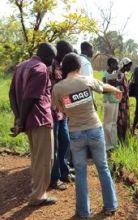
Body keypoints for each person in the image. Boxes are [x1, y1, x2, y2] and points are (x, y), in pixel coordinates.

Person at [52, 53, 120, 217]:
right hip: (95, 130)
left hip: (75, 132)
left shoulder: (58, 88)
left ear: (64, 68)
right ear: (78, 67)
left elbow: (60, 109)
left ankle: (83, 212)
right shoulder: (86, 80)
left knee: (81, 172)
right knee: (102, 168)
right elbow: (104, 87)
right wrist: (117, 89)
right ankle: (110, 206)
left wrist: (70, 111)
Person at [9, 43, 56, 206]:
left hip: (29, 120)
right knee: (44, 159)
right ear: (48, 56)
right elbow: (30, 97)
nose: (53, 61)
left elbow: (12, 95)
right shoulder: (41, 68)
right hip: (40, 119)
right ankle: (38, 196)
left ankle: (36, 189)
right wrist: (20, 121)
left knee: (36, 157)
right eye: (53, 58)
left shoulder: (21, 66)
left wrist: (19, 119)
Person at [49, 40, 74, 190]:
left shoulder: (61, 66)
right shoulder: (50, 65)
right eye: (66, 53)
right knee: (55, 146)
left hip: (62, 113)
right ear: (60, 52)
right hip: (52, 112)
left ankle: (64, 171)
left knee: (65, 141)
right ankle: (55, 177)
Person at [103, 57, 120, 150]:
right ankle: (107, 145)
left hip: (115, 101)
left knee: (113, 123)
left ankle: (113, 144)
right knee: (107, 124)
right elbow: (103, 89)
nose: (117, 66)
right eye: (115, 64)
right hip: (109, 101)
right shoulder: (105, 75)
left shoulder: (114, 74)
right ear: (110, 64)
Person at [117, 57, 132, 142]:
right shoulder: (119, 75)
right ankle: (121, 138)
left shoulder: (124, 75)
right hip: (121, 102)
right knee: (121, 120)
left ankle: (124, 137)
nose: (130, 68)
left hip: (125, 101)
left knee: (124, 119)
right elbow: (120, 89)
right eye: (129, 66)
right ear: (124, 65)